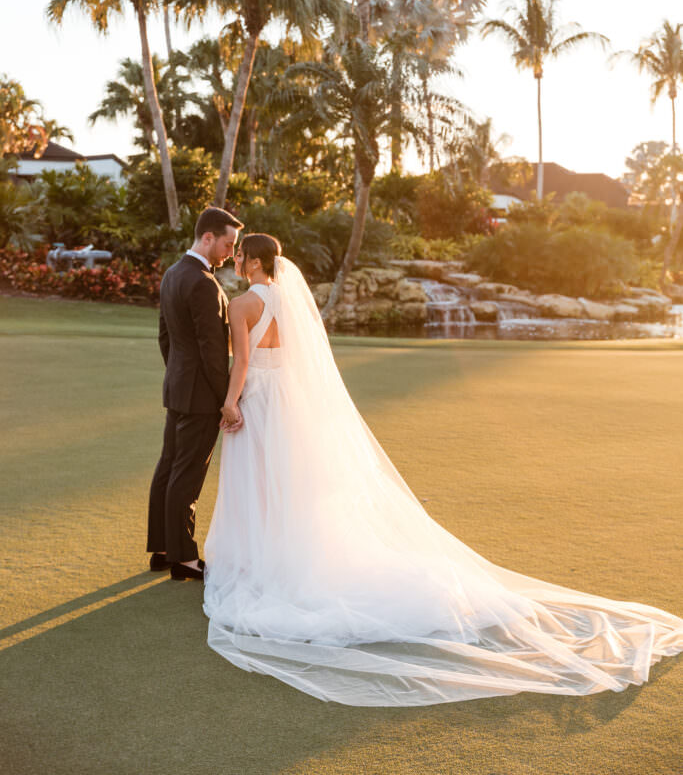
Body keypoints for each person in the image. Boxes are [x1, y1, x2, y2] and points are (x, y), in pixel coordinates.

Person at [203, 234, 683, 707]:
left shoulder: (244, 304)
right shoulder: (290, 302)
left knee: (264, 484)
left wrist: (229, 402)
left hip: (263, 400)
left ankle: (268, 561)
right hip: (295, 404)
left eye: (241, 255)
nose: (237, 259)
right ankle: (291, 554)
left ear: (253, 261)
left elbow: (243, 360)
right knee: (298, 485)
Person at [146, 206, 243, 581]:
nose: (230, 253)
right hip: (201, 396)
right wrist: (226, 399)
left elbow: (165, 337)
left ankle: (164, 549)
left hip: (178, 388)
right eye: (227, 243)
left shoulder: (172, 274)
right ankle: (184, 559)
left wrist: (178, 375)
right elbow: (211, 350)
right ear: (207, 237)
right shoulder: (202, 281)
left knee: (168, 468)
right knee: (185, 475)